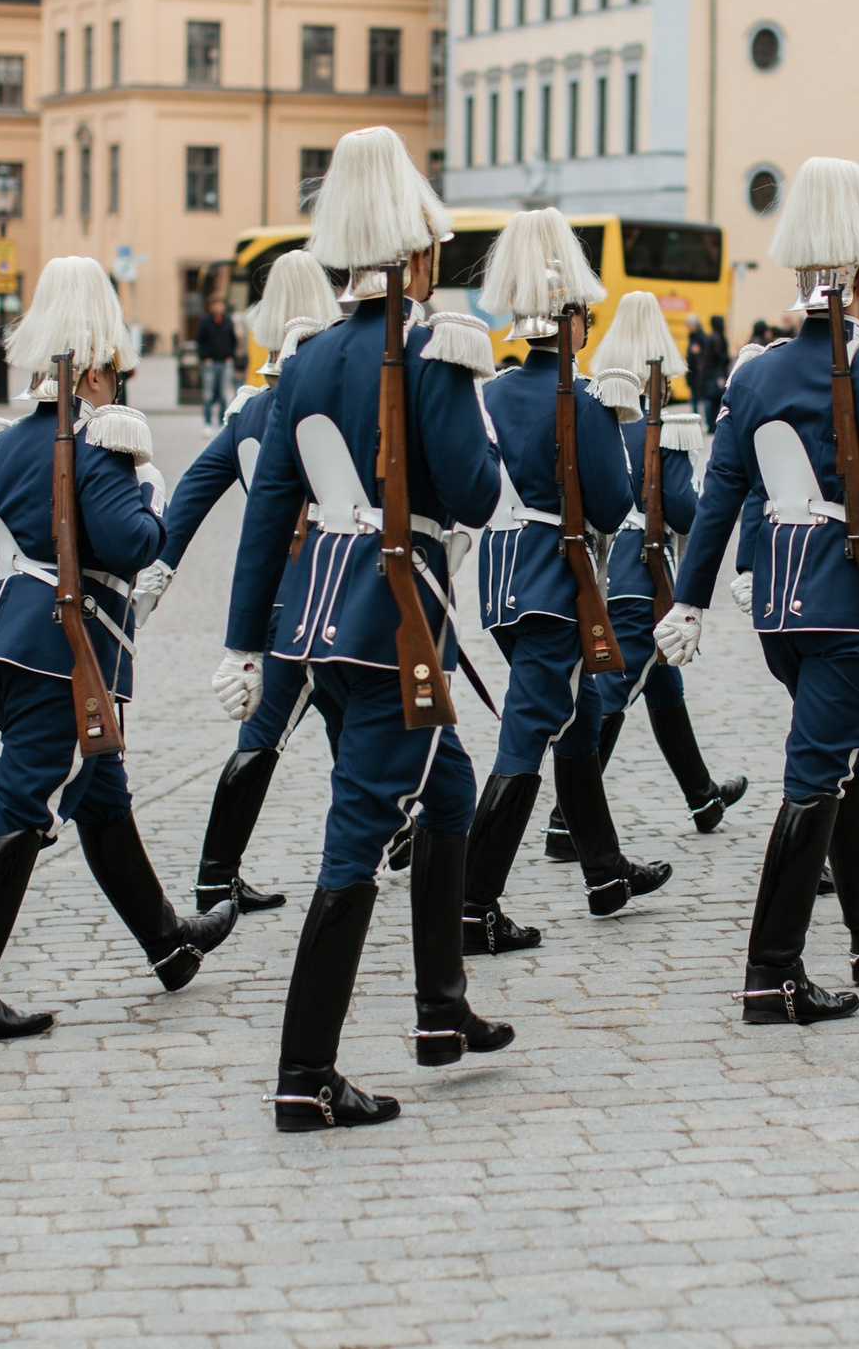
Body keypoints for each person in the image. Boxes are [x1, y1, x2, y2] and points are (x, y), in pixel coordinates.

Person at [212, 126, 510, 1131]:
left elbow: (268, 514)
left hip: (316, 626)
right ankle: (305, 1073)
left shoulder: (303, 362)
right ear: (419, 253)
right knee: (356, 838)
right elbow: (469, 494)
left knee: (453, 787)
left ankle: (439, 1005)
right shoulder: (432, 347)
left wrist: (243, 640)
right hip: (395, 627)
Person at [0, 255, 236, 1046]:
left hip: (5, 655)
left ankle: (168, 945)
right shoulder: (101, 443)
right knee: (18, 809)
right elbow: (131, 542)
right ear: (103, 361)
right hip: (64, 657)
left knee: (103, 795)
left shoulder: (0, 447)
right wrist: (149, 487)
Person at [655, 158, 859, 1022]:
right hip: (844, 599)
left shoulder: (753, 373)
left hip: (778, 604)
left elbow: (717, 501)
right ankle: (771, 973)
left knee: (845, 755)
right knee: (818, 774)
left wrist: (691, 600)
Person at [461, 209, 667, 954]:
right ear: (571, 318)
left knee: (574, 719)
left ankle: (604, 870)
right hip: (556, 579)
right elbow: (614, 503)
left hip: (503, 578)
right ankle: (472, 903)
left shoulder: (491, 391)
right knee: (526, 736)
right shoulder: (574, 399)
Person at [145, 250, 344, 915]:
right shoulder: (333, 401)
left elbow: (193, 496)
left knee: (336, 727)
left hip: (274, 597)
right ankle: (217, 877)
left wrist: (157, 569)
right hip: (332, 593)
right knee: (325, 728)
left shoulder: (247, 414)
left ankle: (217, 874)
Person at [544, 291, 747, 866]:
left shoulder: (600, 414)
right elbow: (682, 509)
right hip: (643, 575)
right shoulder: (663, 424)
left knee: (662, 688)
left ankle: (702, 798)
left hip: (610, 569)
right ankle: (566, 821)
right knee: (612, 696)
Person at [196, 294, 239, 427]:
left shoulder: (227, 321)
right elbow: (200, 341)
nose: (219, 307)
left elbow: (233, 340)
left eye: (221, 304)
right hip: (210, 363)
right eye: (216, 304)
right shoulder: (205, 321)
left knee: (224, 394)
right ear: (211, 306)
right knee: (208, 394)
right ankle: (207, 422)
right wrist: (204, 358)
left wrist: (230, 357)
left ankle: (221, 422)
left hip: (225, 363)